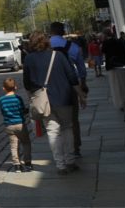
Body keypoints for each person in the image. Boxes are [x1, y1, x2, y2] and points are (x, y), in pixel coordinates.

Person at [24, 30, 80, 175]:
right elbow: (72, 76)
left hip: (44, 101)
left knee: (52, 131)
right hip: (64, 98)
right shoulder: (58, 55)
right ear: (46, 41)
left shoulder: (29, 59)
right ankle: (70, 161)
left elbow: (27, 83)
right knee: (67, 127)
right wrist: (81, 94)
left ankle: (60, 165)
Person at [50, 22, 87, 157]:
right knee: (72, 120)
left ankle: (59, 151)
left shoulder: (45, 46)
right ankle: (75, 148)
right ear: (63, 32)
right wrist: (82, 86)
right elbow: (82, 70)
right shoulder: (74, 47)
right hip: (70, 87)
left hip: (50, 87)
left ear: (51, 31)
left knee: (53, 122)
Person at [0, 78, 32, 172]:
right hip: (20, 124)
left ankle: (17, 165)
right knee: (26, 142)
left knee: (13, 145)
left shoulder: (1, 100)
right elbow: (22, 110)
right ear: (15, 87)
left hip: (9, 125)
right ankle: (28, 163)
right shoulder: (18, 98)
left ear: (4, 88)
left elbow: (2, 111)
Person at [101, 26, 125, 110]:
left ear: (105, 35)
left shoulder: (106, 43)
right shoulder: (118, 41)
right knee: (124, 86)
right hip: (122, 66)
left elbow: (103, 51)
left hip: (112, 67)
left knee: (116, 87)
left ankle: (121, 103)